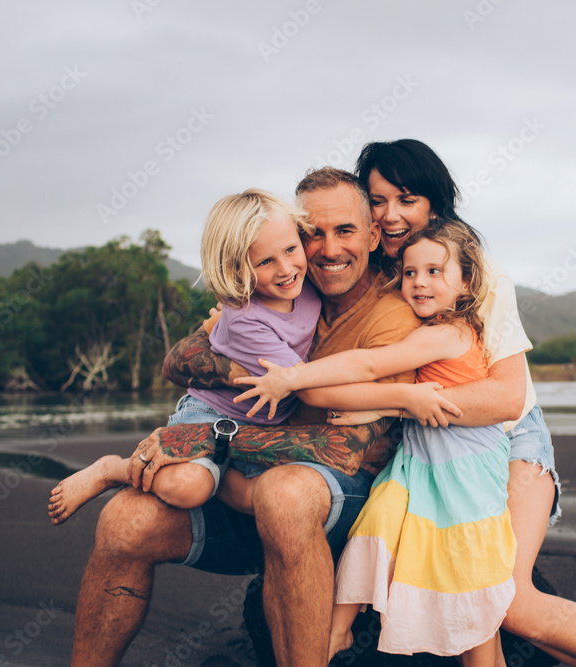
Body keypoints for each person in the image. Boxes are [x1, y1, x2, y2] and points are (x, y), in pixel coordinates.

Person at [64, 168, 463, 667]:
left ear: (374, 234)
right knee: (125, 519)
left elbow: (350, 445)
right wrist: (202, 427)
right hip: (249, 477)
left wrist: (201, 441)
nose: (326, 248)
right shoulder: (280, 291)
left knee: (284, 496)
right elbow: (184, 357)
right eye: (312, 233)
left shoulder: (397, 316)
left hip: (338, 494)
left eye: (345, 231)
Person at [355, 139, 576, 666]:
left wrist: (397, 400)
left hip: (510, 438)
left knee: (511, 603)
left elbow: (505, 398)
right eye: (378, 200)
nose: (389, 215)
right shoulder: (380, 274)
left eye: (406, 199)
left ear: (433, 202)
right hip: (430, 455)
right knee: (471, 606)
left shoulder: (477, 275)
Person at [235, 221, 517, 665]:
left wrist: (292, 377)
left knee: (467, 582)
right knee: (378, 525)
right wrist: (382, 409)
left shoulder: (446, 333)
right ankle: (338, 631)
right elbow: (417, 398)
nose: (419, 282)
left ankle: (338, 631)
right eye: (409, 272)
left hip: (461, 465)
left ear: (466, 282)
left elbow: (369, 365)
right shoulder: (440, 329)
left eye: (435, 272)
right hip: (422, 460)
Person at [47, 189, 322, 526]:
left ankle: (218, 475)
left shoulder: (309, 286)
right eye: (265, 261)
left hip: (258, 427)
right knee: (188, 488)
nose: (286, 268)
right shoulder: (245, 318)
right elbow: (306, 380)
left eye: (291, 249)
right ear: (238, 270)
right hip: (210, 416)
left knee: (261, 500)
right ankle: (112, 469)